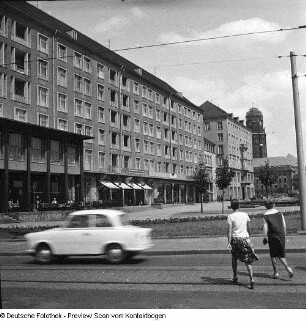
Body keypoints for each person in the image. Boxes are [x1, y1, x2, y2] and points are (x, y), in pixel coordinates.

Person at [227, 199, 259, 289]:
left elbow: (229, 232)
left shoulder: (230, 217)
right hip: (245, 239)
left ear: (232, 207)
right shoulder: (245, 215)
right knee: (248, 260)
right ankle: (251, 279)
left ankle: (235, 276)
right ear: (239, 206)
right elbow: (249, 228)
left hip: (235, 239)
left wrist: (229, 243)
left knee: (234, 258)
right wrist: (249, 237)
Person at [263, 199, 293, 279]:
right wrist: (285, 235)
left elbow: (265, 228)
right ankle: (288, 268)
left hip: (272, 235)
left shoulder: (265, 215)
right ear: (274, 205)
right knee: (281, 253)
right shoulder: (280, 213)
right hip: (281, 234)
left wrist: (265, 237)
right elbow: (284, 225)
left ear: (266, 206)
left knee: (273, 255)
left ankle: (276, 272)